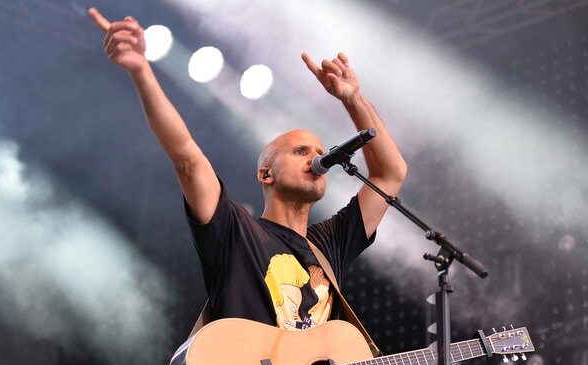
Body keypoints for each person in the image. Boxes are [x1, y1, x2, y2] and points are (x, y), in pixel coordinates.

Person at [88, 7, 407, 332]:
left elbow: (389, 175)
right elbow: (188, 159)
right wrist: (141, 70)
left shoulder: (330, 244)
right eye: (300, 151)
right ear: (265, 174)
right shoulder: (235, 231)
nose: (316, 158)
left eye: (320, 153)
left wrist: (353, 99)